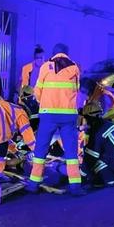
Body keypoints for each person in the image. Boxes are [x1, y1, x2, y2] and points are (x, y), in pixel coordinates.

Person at [27, 43, 85, 196]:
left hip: (48, 115)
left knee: (40, 150)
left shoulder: (46, 67)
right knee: (71, 153)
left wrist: (44, 103)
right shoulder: (75, 68)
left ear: (54, 53)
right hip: (68, 117)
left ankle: (33, 184)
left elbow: (37, 90)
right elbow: (76, 91)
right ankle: (75, 187)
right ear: (67, 54)